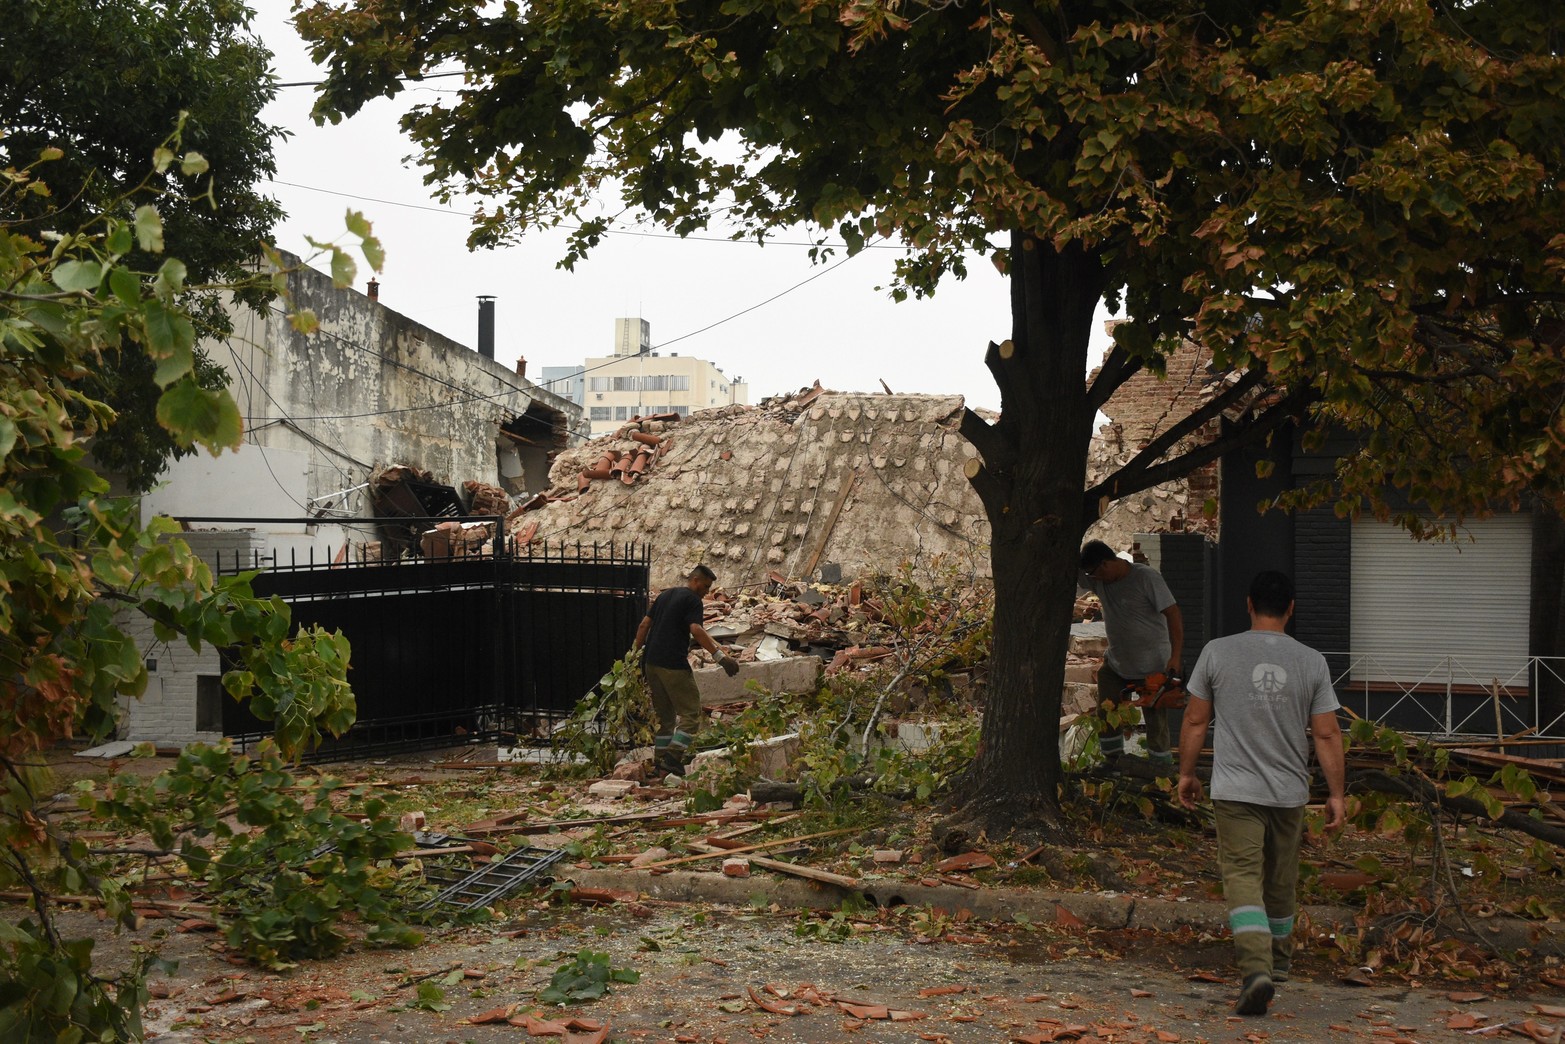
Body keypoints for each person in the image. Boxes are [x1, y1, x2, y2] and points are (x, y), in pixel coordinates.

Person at [1177, 570, 1346, 1017]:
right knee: (1280, 878)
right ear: (1291, 609)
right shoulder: (1312, 661)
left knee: (1242, 876)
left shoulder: (1217, 652)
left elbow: (1195, 721)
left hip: (1234, 790)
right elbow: (1327, 735)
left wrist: (1187, 773)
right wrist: (1337, 795)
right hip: (1289, 792)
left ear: (1249, 604)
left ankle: (1257, 969)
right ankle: (1280, 961)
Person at [1078, 539, 1184, 766]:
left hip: (1153, 666)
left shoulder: (1146, 578)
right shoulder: (1099, 581)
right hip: (1117, 664)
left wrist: (1175, 657)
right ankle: (1112, 760)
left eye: (1094, 573)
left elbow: (1173, 614)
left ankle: (1160, 768)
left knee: (1156, 721)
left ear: (1105, 564)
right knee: (1106, 711)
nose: (1092, 579)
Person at [633, 564, 739, 774]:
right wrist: (720, 657)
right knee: (691, 716)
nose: (707, 592)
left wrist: (635, 655)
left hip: (651, 664)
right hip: (673, 665)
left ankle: (660, 764)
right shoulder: (692, 600)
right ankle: (673, 758)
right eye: (706, 587)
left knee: (666, 720)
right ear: (695, 581)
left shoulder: (666, 595)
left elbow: (644, 624)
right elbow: (696, 629)